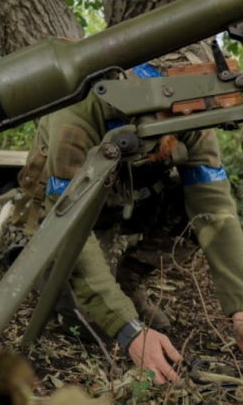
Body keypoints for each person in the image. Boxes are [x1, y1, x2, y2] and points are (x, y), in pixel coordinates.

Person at [16, 40, 243, 384]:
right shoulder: (78, 112)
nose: (190, 123)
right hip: (76, 208)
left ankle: (128, 278)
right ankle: (46, 271)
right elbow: (69, 220)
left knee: (193, 211)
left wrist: (240, 306)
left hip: (135, 198)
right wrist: (129, 329)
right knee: (86, 325)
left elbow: (214, 208)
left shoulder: (193, 110)